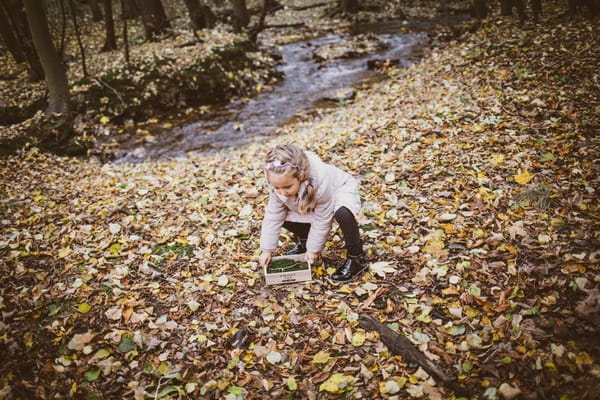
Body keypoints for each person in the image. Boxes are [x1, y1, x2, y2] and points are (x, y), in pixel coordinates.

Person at [258, 144, 366, 282]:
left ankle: (356, 257)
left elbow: (322, 219)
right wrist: (267, 250)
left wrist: (313, 249)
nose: (282, 192)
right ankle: (305, 240)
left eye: (287, 187)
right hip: (307, 200)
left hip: (339, 190)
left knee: (343, 213)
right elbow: (273, 216)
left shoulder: (320, 183)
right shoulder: (278, 187)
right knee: (281, 214)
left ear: (301, 176)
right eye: (277, 187)